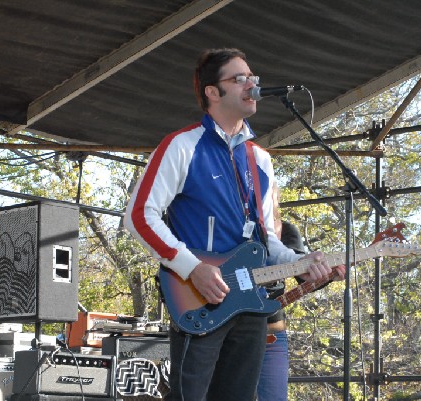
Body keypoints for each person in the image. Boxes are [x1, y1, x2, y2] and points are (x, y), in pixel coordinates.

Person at [124, 48, 343, 401]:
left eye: (253, 78)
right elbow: (138, 216)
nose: (251, 84)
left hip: (250, 304)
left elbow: (267, 240)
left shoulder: (260, 159)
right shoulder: (182, 145)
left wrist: (304, 264)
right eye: (239, 78)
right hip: (199, 298)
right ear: (213, 92)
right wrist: (193, 268)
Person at [257, 219, 306, 401]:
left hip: (273, 333)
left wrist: (331, 274)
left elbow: (305, 277)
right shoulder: (234, 225)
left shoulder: (286, 230)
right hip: (232, 328)